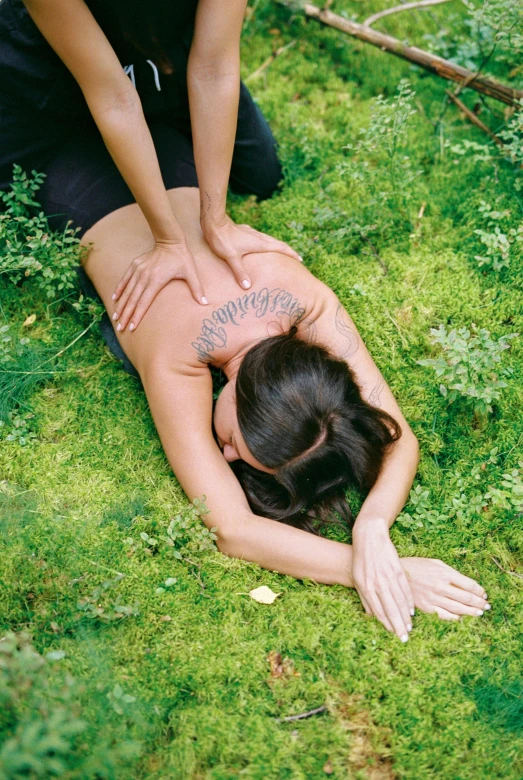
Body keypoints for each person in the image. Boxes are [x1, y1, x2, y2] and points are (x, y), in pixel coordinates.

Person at [79, 185, 490, 643]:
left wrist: (372, 527)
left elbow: (396, 437)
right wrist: (379, 571)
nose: (227, 456)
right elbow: (232, 530)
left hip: (180, 167)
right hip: (81, 189)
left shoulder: (302, 293)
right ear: (238, 395)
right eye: (236, 441)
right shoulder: (177, 351)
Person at [0, 0, 300, 323]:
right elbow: (113, 97)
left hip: (166, 59)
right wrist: (169, 239)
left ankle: (159, 131)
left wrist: (216, 219)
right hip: (59, 75)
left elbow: (214, 69)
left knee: (261, 175)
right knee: (37, 197)